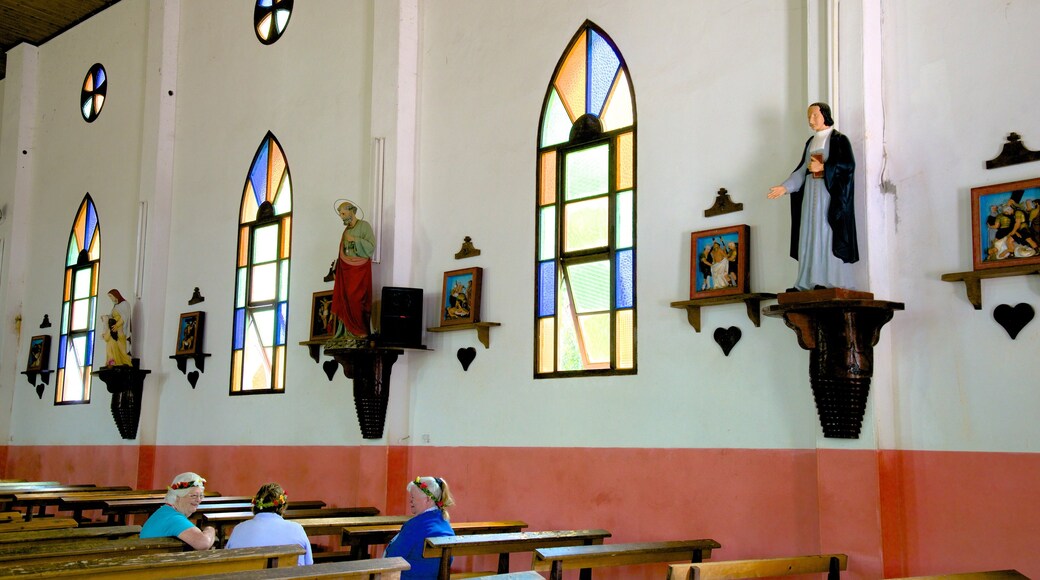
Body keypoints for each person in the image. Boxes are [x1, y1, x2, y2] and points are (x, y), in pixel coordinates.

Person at [767, 102, 858, 291]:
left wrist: (825, 168)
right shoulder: (810, 142)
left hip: (829, 196)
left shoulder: (839, 140)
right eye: (809, 116)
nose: (811, 120)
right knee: (808, 233)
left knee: (826, 233)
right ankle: (807, 282)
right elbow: (802, 171)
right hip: (809, 196)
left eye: (815, 115)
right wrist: (785, 187)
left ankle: (828, 280)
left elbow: (848, 165)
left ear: (825, 115)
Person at [384, 476, 456, 580]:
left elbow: (391, 559)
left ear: (427, 499)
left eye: (413, 497)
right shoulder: (445, 524)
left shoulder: (414, 526)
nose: (410, 501)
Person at [226, 483, 312, 565]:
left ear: (256, 504)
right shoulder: (297, 529)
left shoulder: (239, 529)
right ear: (282, 507)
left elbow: (227, 562)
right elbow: (308, 564)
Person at [329, 200, 376, 340]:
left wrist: (355, 239)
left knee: (357, 299)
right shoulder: (345, 231)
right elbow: (341, 252)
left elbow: (371, 247)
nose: (342, 217)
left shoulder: (364, 226)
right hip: (346, 270)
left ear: (351, 211)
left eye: (343, 213)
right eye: (340, 215)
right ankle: (346, 332)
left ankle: (359, 330)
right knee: (345, 299)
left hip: (360, 270)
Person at [140, 472, 216, 550]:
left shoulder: (166, 511)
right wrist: (210, 529)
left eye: (201, 496)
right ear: (177, 497)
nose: (198, 500)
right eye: (194, 496)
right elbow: (203, 543)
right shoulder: (173, 518)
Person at [100, 289, 132, 367]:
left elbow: (125, 317)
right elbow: (111, 316)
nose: (110, 298)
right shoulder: (116, 306)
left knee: (122, 348)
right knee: (111, 343)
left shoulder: (125, 304)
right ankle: (112, 361)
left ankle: (125, 362)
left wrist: (117, 325)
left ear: (116, 295)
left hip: (120, 329)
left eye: (111, 296)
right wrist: (105, 317)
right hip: (114, 329)